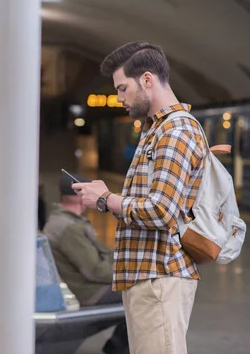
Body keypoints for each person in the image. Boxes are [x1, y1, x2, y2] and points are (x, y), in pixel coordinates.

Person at [72, 42, 207, 354]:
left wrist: (106, 198)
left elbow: (162, 211)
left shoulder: (173, 131)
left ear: (147, 80)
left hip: (159, 277)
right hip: (146, 277)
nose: (119, 99)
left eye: (122, 88)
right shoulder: (156, 130)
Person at [43, 173, 128, 354]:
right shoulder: (68, 227)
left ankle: (117, 347)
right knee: (139, 294)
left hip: (87, 288)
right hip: (90, 293)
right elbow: (95, 270)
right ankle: (117, 349)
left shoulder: (66, 220)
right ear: (82, 198)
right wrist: (126, 271)